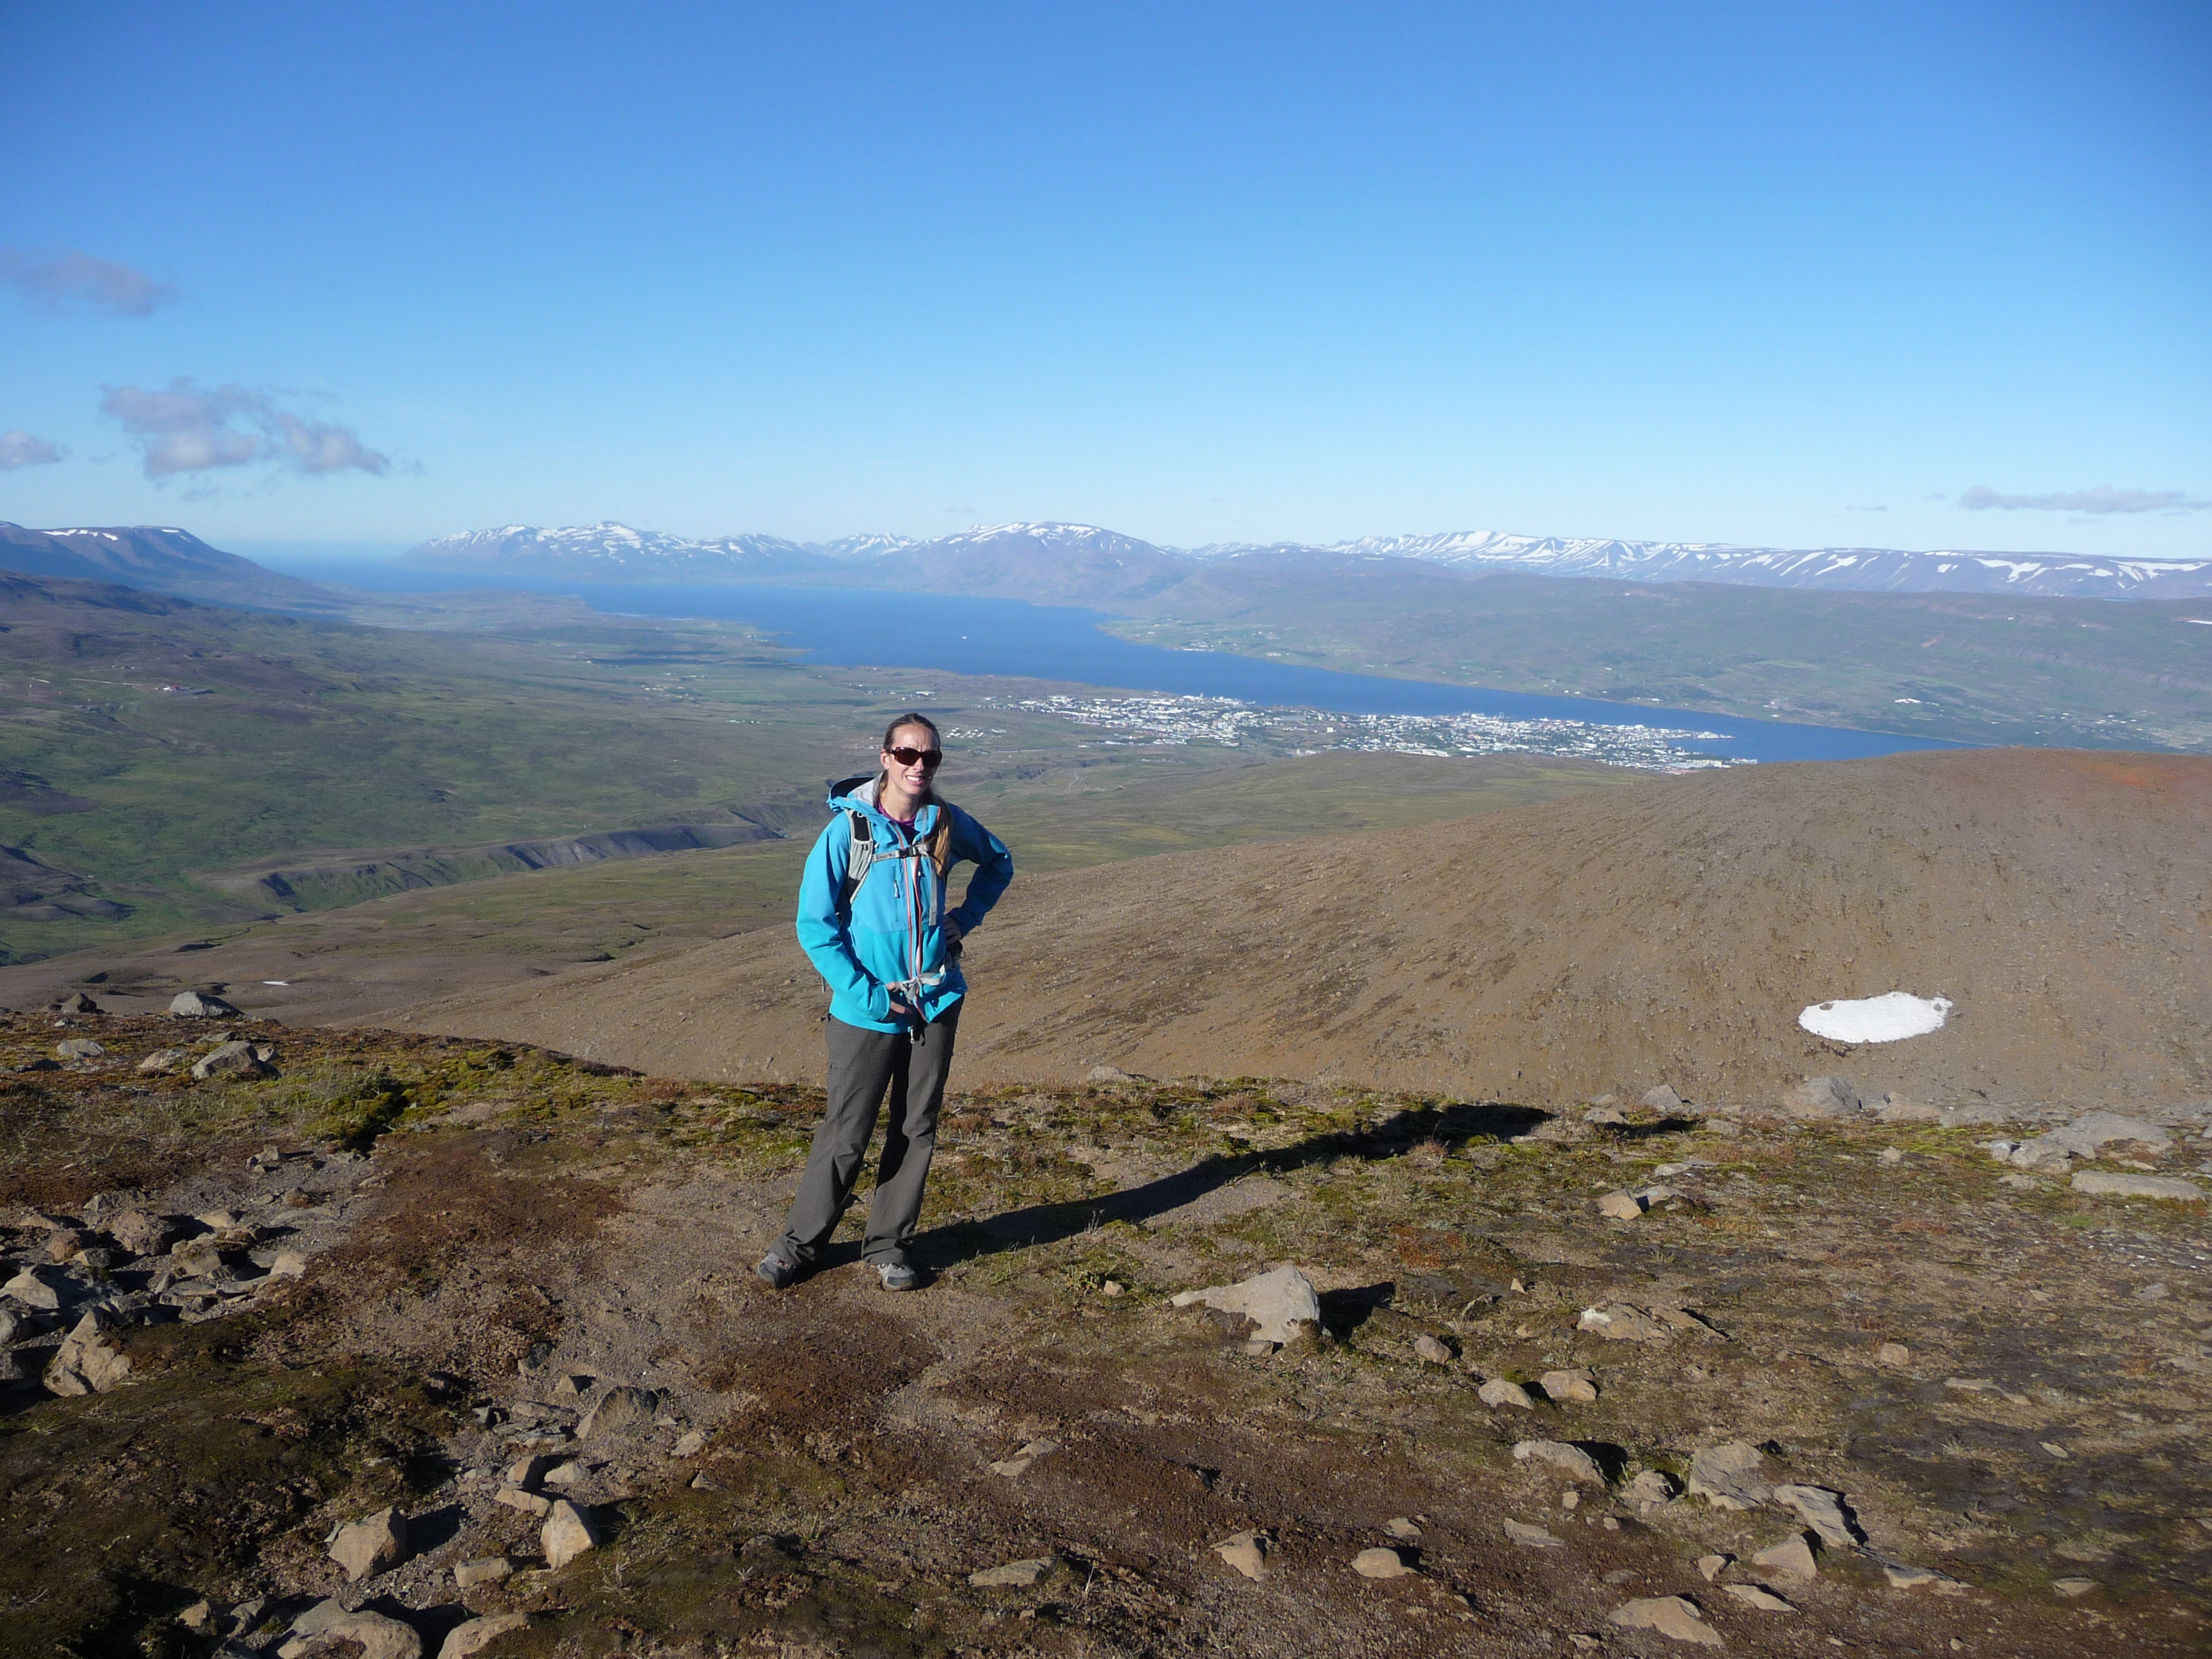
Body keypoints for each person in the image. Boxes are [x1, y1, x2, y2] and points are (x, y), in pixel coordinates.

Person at [757, 713, 1014, 1291]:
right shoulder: (849, 832)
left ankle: (889, 1246)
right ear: (884, 757)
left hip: (937, 999)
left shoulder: (944, 823)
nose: (918, 766)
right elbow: (815, 926)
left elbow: (1000, 862)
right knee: (847, 1129)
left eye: (930, 758)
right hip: (866, 1010)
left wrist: (964, 919)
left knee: (916, 1126)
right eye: (907, 754)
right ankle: (798, 1246)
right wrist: (867, 995)